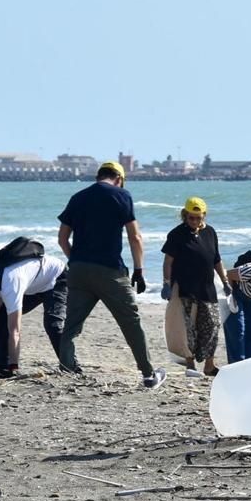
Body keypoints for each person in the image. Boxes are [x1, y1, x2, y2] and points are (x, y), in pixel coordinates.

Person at [56, 162, 167, 388]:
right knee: (130, 321)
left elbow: (62, 238)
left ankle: (66, 369)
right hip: (109, 271)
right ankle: (148, 375)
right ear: (118, 178)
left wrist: (75, 259)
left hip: (78, 270)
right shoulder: (121, 195)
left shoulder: (77, 197)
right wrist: (139, 270)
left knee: (72, 325)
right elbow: (135, 237)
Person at [0, 242, 69, 379]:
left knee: (53, 324)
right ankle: (1, 369)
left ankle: (70, 366)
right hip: (32, 284)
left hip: (55, 278)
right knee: (1, 314)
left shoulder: (11, 282)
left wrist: (14, 366)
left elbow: (15, 331)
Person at [161, 197, 232, 376]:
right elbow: (168, 261)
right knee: (188, 328)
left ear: (204, 216)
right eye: (191, 217)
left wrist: (225, 282)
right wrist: (166, 284)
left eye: (198, 217)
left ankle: (209, 365)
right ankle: (190, 365)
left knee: (212, 325)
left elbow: (216, 259)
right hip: (185, 288)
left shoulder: (210, 232)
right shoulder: (176, 234)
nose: (194, 221)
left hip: (207, 288)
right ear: (185, 216)